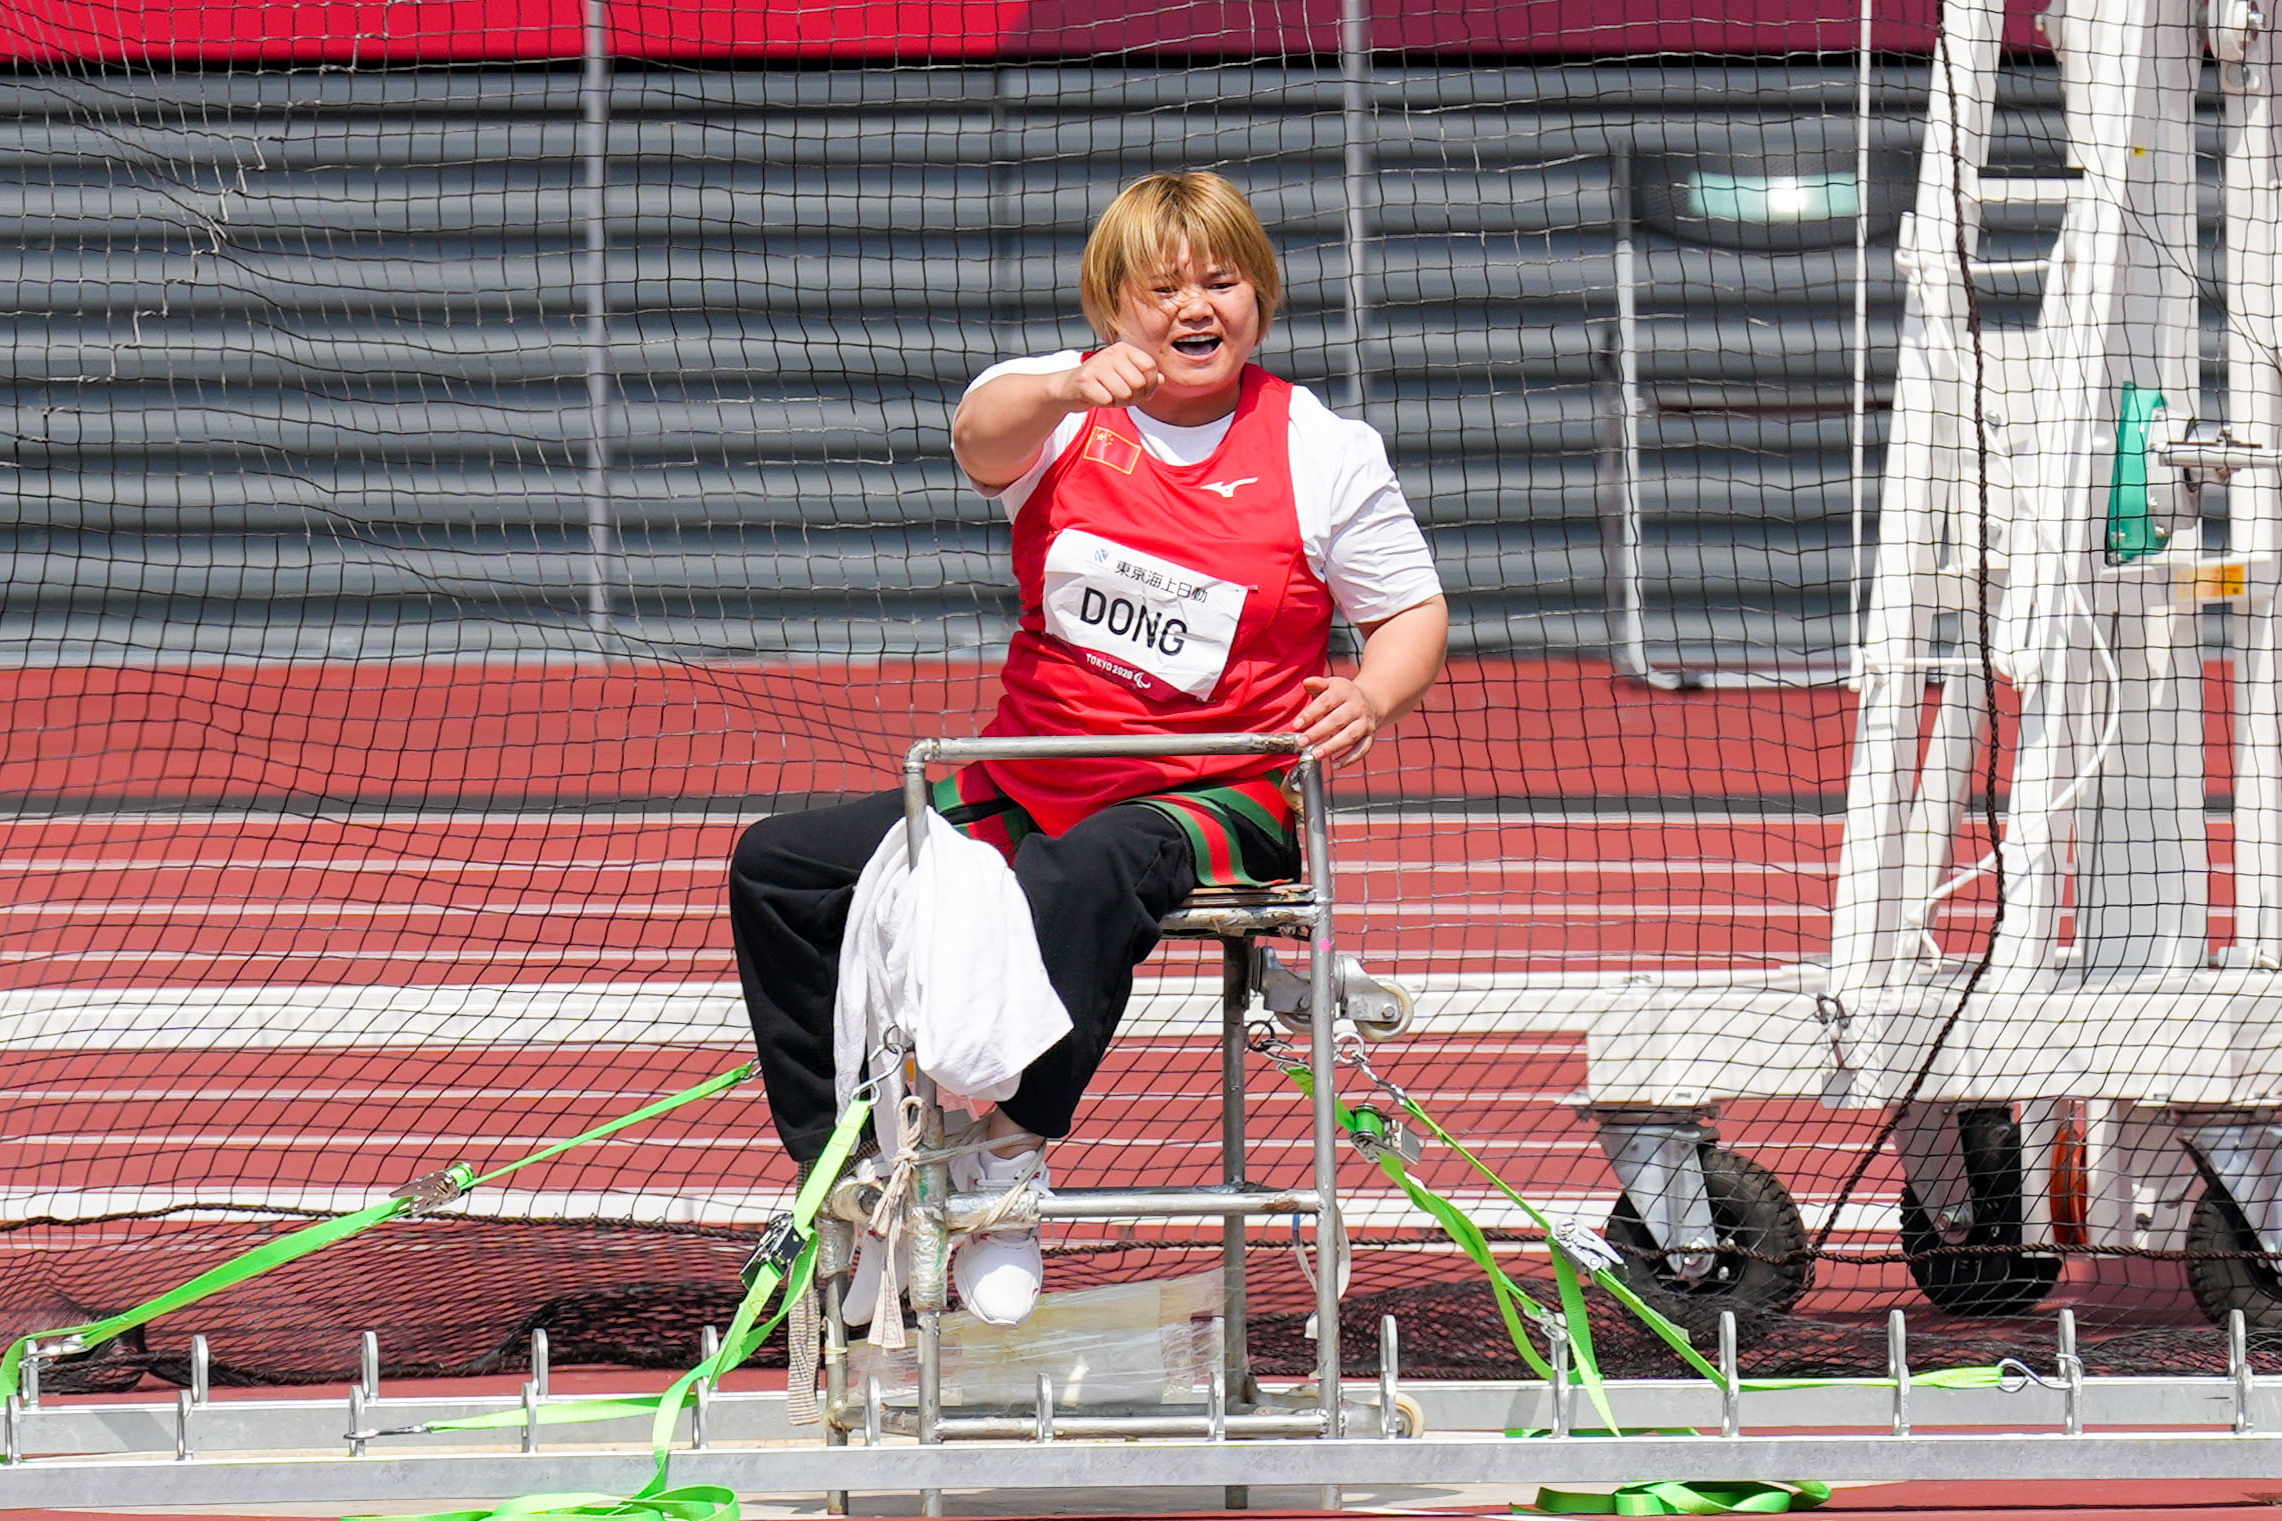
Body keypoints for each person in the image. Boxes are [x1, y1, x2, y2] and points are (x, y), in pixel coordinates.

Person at [728, 170, 1447, 1330]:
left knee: (1087, 866)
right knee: (781, 868)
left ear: (1259, 298)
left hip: (1210, 791)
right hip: (1031, 770)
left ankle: (1005, 1155)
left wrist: (1369, 693)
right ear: (1114, 306)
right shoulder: (1051, 407)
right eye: (1163, 288)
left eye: (1220, 282)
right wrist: (1069, 383)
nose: (1194, 306)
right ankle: (850, 1172)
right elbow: (978, 437)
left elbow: (1411, 612)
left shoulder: (1321, 448)